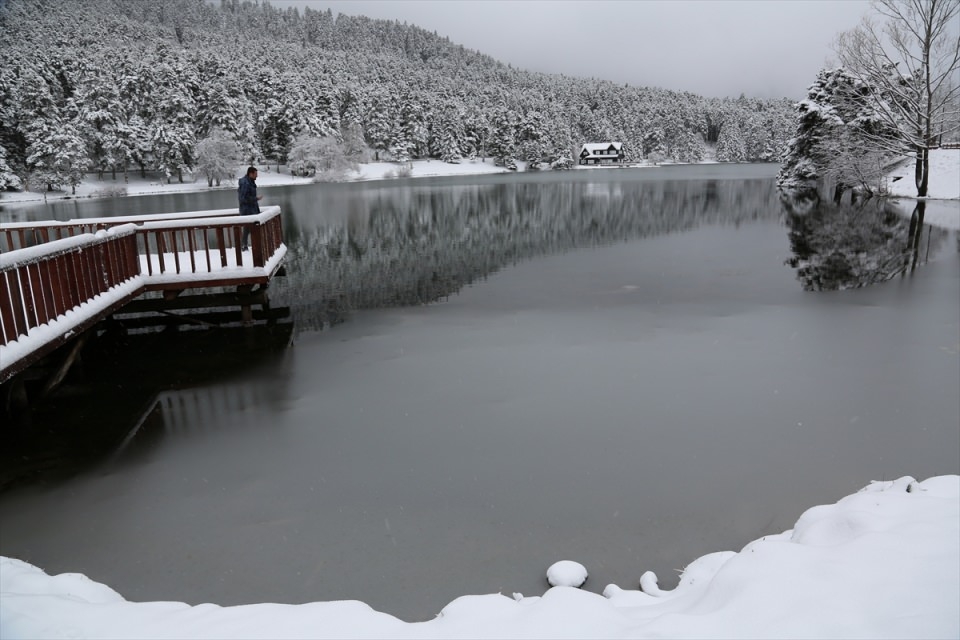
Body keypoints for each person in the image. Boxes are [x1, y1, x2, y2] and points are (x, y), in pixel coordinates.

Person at [237, 166, 262, 250]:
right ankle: (251, 247)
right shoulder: (245, 183)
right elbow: (243, 198)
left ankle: (246, 246)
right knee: (250, 228)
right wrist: (256, 199)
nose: (257, 176)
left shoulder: (249, 182)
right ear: (250, 174)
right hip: (247, 210)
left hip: (251, 209)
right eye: (255, 174)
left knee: (248, 229)